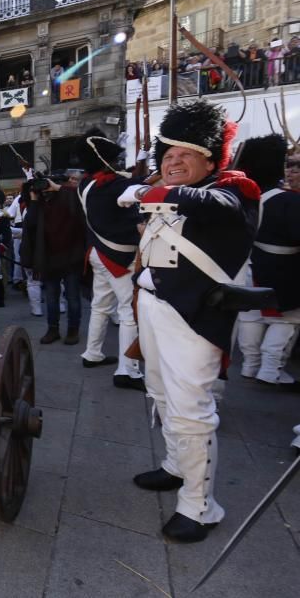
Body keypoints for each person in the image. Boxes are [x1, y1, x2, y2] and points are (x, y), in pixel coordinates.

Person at [118, 99, 259, 542]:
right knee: (160, 394)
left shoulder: (235, 191)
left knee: (191, 412)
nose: (172, 161)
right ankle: (177, 467)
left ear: (211, 160)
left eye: (184, 154)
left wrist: (149, 190)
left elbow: (210, 204)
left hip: (197, 317)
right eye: (168, 155)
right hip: (156, 307)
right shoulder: (176, 193)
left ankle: (200, 506)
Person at [74, 129, 146, 391]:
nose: (117, 163)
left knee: (100, 306)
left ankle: (93, 353)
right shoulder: (114, 185)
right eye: (113, 159)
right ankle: (128, 370)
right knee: (129, 311)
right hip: (117, 255)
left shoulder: (86, 184)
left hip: (97, 253)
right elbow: (139, 189)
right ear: (104, 161)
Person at [235, 134, 300, 388]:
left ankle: (250, 366)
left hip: (250, 263)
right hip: (284, 267)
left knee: (250, 316)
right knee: (287, 320)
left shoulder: (245, 197)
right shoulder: (290, 200)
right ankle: (271, 370)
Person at [19, 174, 86, 345]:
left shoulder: (69, 198)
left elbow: (80, 197)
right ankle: (53, 329)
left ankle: (73, 330)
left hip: (72, 256)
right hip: (49, 258)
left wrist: (58, 188)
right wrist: (33, 199)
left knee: (72, 297)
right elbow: (31, 224)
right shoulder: (40, 204)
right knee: (51, 297)